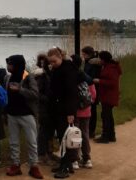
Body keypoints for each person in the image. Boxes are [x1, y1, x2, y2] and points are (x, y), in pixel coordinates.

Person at [4, 55, 43, 179]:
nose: (8, 66)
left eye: (10, 64)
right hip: (12, 114)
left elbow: (35, 94)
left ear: (17, 65)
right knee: (13, 141)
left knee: (32, 142)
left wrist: (20, 89)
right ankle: (15, 165)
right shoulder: (7, 77)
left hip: (27, 114)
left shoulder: (28, 77)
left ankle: (34, 166)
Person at [46, 47, 79, 179]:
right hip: (58, 109)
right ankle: (66, 164)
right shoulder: (57, 69)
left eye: (54, 61)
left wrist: (71, 113)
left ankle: (65, 166)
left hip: (66, 110)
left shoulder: (68, 70)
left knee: (66, 138)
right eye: (50, 62)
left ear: (60, 57)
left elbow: (71, 92)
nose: (52, 64)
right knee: (61, 137)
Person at [93, 51, 122, 143]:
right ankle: (111, 135)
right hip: (107, 94)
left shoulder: (111, 68)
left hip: (109, 95)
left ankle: (105, 136)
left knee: (105, 116)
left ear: (104, 59)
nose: (99, 60)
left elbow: (112, 83)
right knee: (108, 115)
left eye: (100, 59)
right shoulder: (108, 66)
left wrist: (99, 81)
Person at [72, 56, 96, 169]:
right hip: (86, 111)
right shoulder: (88, 78)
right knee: (85, 134)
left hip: (75, 111)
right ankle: (87, 159)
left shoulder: (71, 77)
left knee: (74, 135)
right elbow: (93, 96)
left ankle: (75, 160)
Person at [33, 53, 55, 164]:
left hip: (50, 107)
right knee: (43, 131)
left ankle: (49, 153)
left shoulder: (50, 74)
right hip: (44, 108)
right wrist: (48, 98)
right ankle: (42, 155)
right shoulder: (41, 76)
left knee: (49, 131)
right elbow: (37, 93)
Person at [80, 46, 102, 139]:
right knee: (91, 109)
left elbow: (92, 75)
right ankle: (89, 130)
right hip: (88, 86)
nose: (83, 56)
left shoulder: (94, 63)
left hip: (93, 87)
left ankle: (91, 131)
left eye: (84, 54)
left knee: (92, 109)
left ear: (88, 54)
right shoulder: (88, 62)